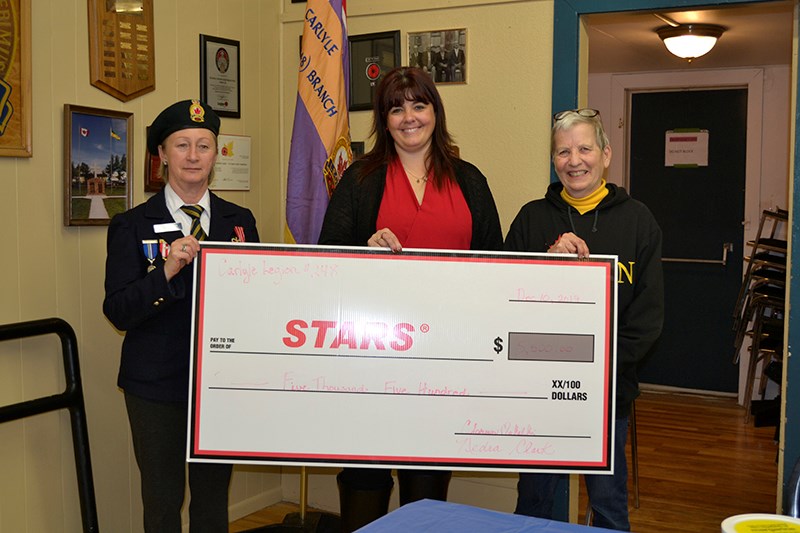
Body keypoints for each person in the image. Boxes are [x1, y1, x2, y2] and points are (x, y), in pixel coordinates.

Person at [318, 66, 503, 532]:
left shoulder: (470, 179)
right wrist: (363, 249)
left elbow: (497, 266)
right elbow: (321, 263)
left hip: (446, 360)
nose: (409, 117)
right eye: (396, 108)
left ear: (435, 112)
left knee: (427, 481)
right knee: (366, 473)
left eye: (418, 105)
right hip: (373, 359)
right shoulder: (360, 178)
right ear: (383, 119)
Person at [103, 99, 259, 533]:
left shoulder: (239, 222)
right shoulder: (132, 225)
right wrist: (167, 269)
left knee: (211, 503)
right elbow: (117, 310)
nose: (193, 156)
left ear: (215, 155)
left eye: (204, 145)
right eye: (182, 145)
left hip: (218, 386)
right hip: (155, 386)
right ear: (162, 156)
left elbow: (256, 301)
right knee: (162, 501)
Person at [504, 108, 664, 531]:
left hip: (608, 394)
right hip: (539, 393)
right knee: (535, 501)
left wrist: (604, 369)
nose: (574, 160)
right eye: (563, 152)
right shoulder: (531, 219)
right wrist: (546, 262)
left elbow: (648, 318)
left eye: (584, 149)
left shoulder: (638, 221)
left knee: (609, 506)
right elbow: (503, 298)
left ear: (606, 155)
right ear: (554, 160)